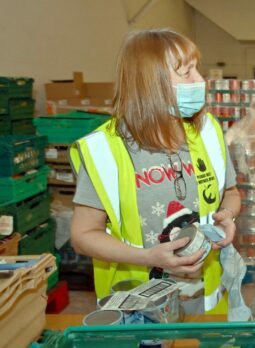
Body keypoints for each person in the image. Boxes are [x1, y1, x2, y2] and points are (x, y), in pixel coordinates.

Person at [69, 29, 241, 315]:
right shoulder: (105, 150)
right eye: (187, 72)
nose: (200, 80)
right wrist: (147, 256)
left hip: (206, 301)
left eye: (196, 69)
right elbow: (83, 234)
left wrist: (228, 216)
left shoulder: (207, 132)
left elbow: (231, 193)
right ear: (151, 83)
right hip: (139, 306)